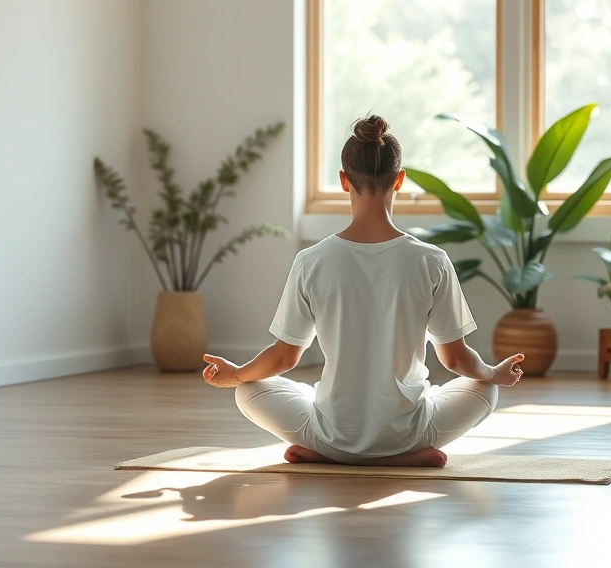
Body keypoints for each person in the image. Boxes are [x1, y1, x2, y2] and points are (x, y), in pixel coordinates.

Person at [202, 115, 524, 468]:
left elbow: (284, 358)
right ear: (399, 180)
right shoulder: (432, 260)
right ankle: (401, 455)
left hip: (333, 431)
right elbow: (456, 360)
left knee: (248, 390)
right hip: (410, 432)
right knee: (485, 389)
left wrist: (234, 374)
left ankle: (329, 452)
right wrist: (495, 372)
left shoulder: (312, 261)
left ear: (344, 180)